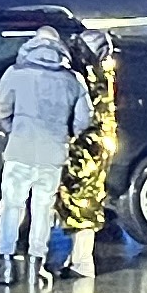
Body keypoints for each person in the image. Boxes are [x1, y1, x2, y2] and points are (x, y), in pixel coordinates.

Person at [0, 26, 93, 285]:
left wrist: (13, 130)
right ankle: (36, 266)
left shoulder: (15, 73)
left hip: (20, 150)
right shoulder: (73, 80)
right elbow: (84, 118)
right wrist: (66, 134)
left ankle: (5, 264)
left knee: (12, 208)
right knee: (42, 210)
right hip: (52, 154)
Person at [52, 30, 118, 278]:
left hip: (87, 145)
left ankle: (82, 261)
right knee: (84, 200)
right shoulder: (104, 71)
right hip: (98, 144)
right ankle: (78, 258)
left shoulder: (89, 75)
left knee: (82, 201)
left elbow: (84, 113)